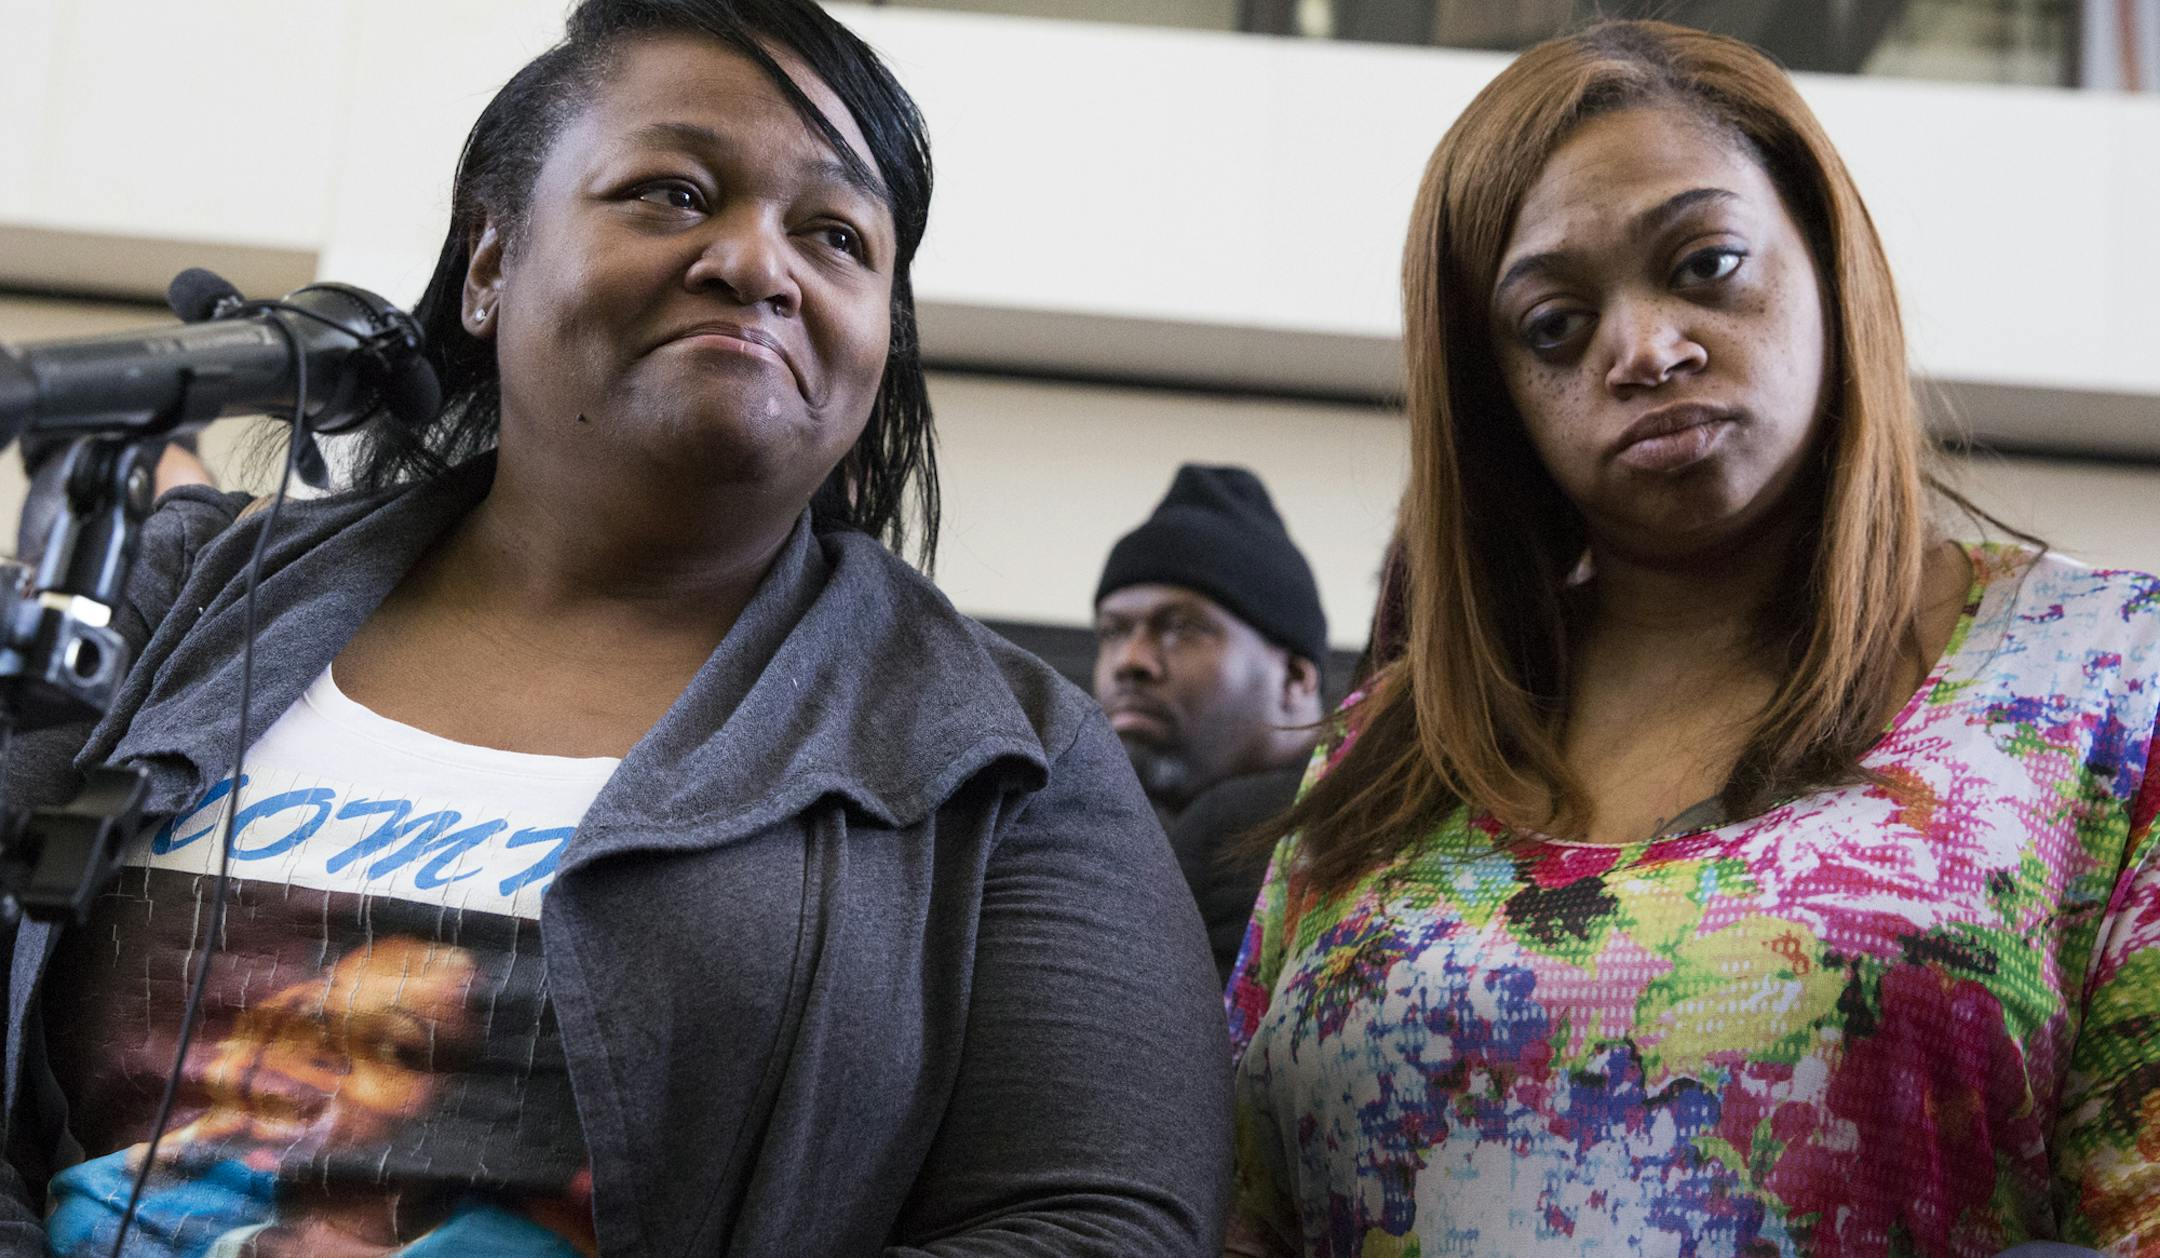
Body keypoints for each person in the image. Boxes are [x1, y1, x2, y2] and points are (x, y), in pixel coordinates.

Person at [0, 1, 1233, 1253]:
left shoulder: (1005, 754)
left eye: (836, 235)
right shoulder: (171, 592)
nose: (760, 263)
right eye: (674, 194)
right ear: (489, 264)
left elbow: (1102, 1221)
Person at [1225, 19, 2158, 1258]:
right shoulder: (1392, 747)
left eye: (1707, 263)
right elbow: (1239, 1204)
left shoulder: (2100, 674)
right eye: (1553, 326)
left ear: (1829, 264)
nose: (1647, 350)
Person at [1092, 464, 1327, 986]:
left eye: (1181, 627)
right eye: (1112, 631)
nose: (1129, 660)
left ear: (1294, 677)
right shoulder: (1083, 837)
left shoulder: (1367, 836)